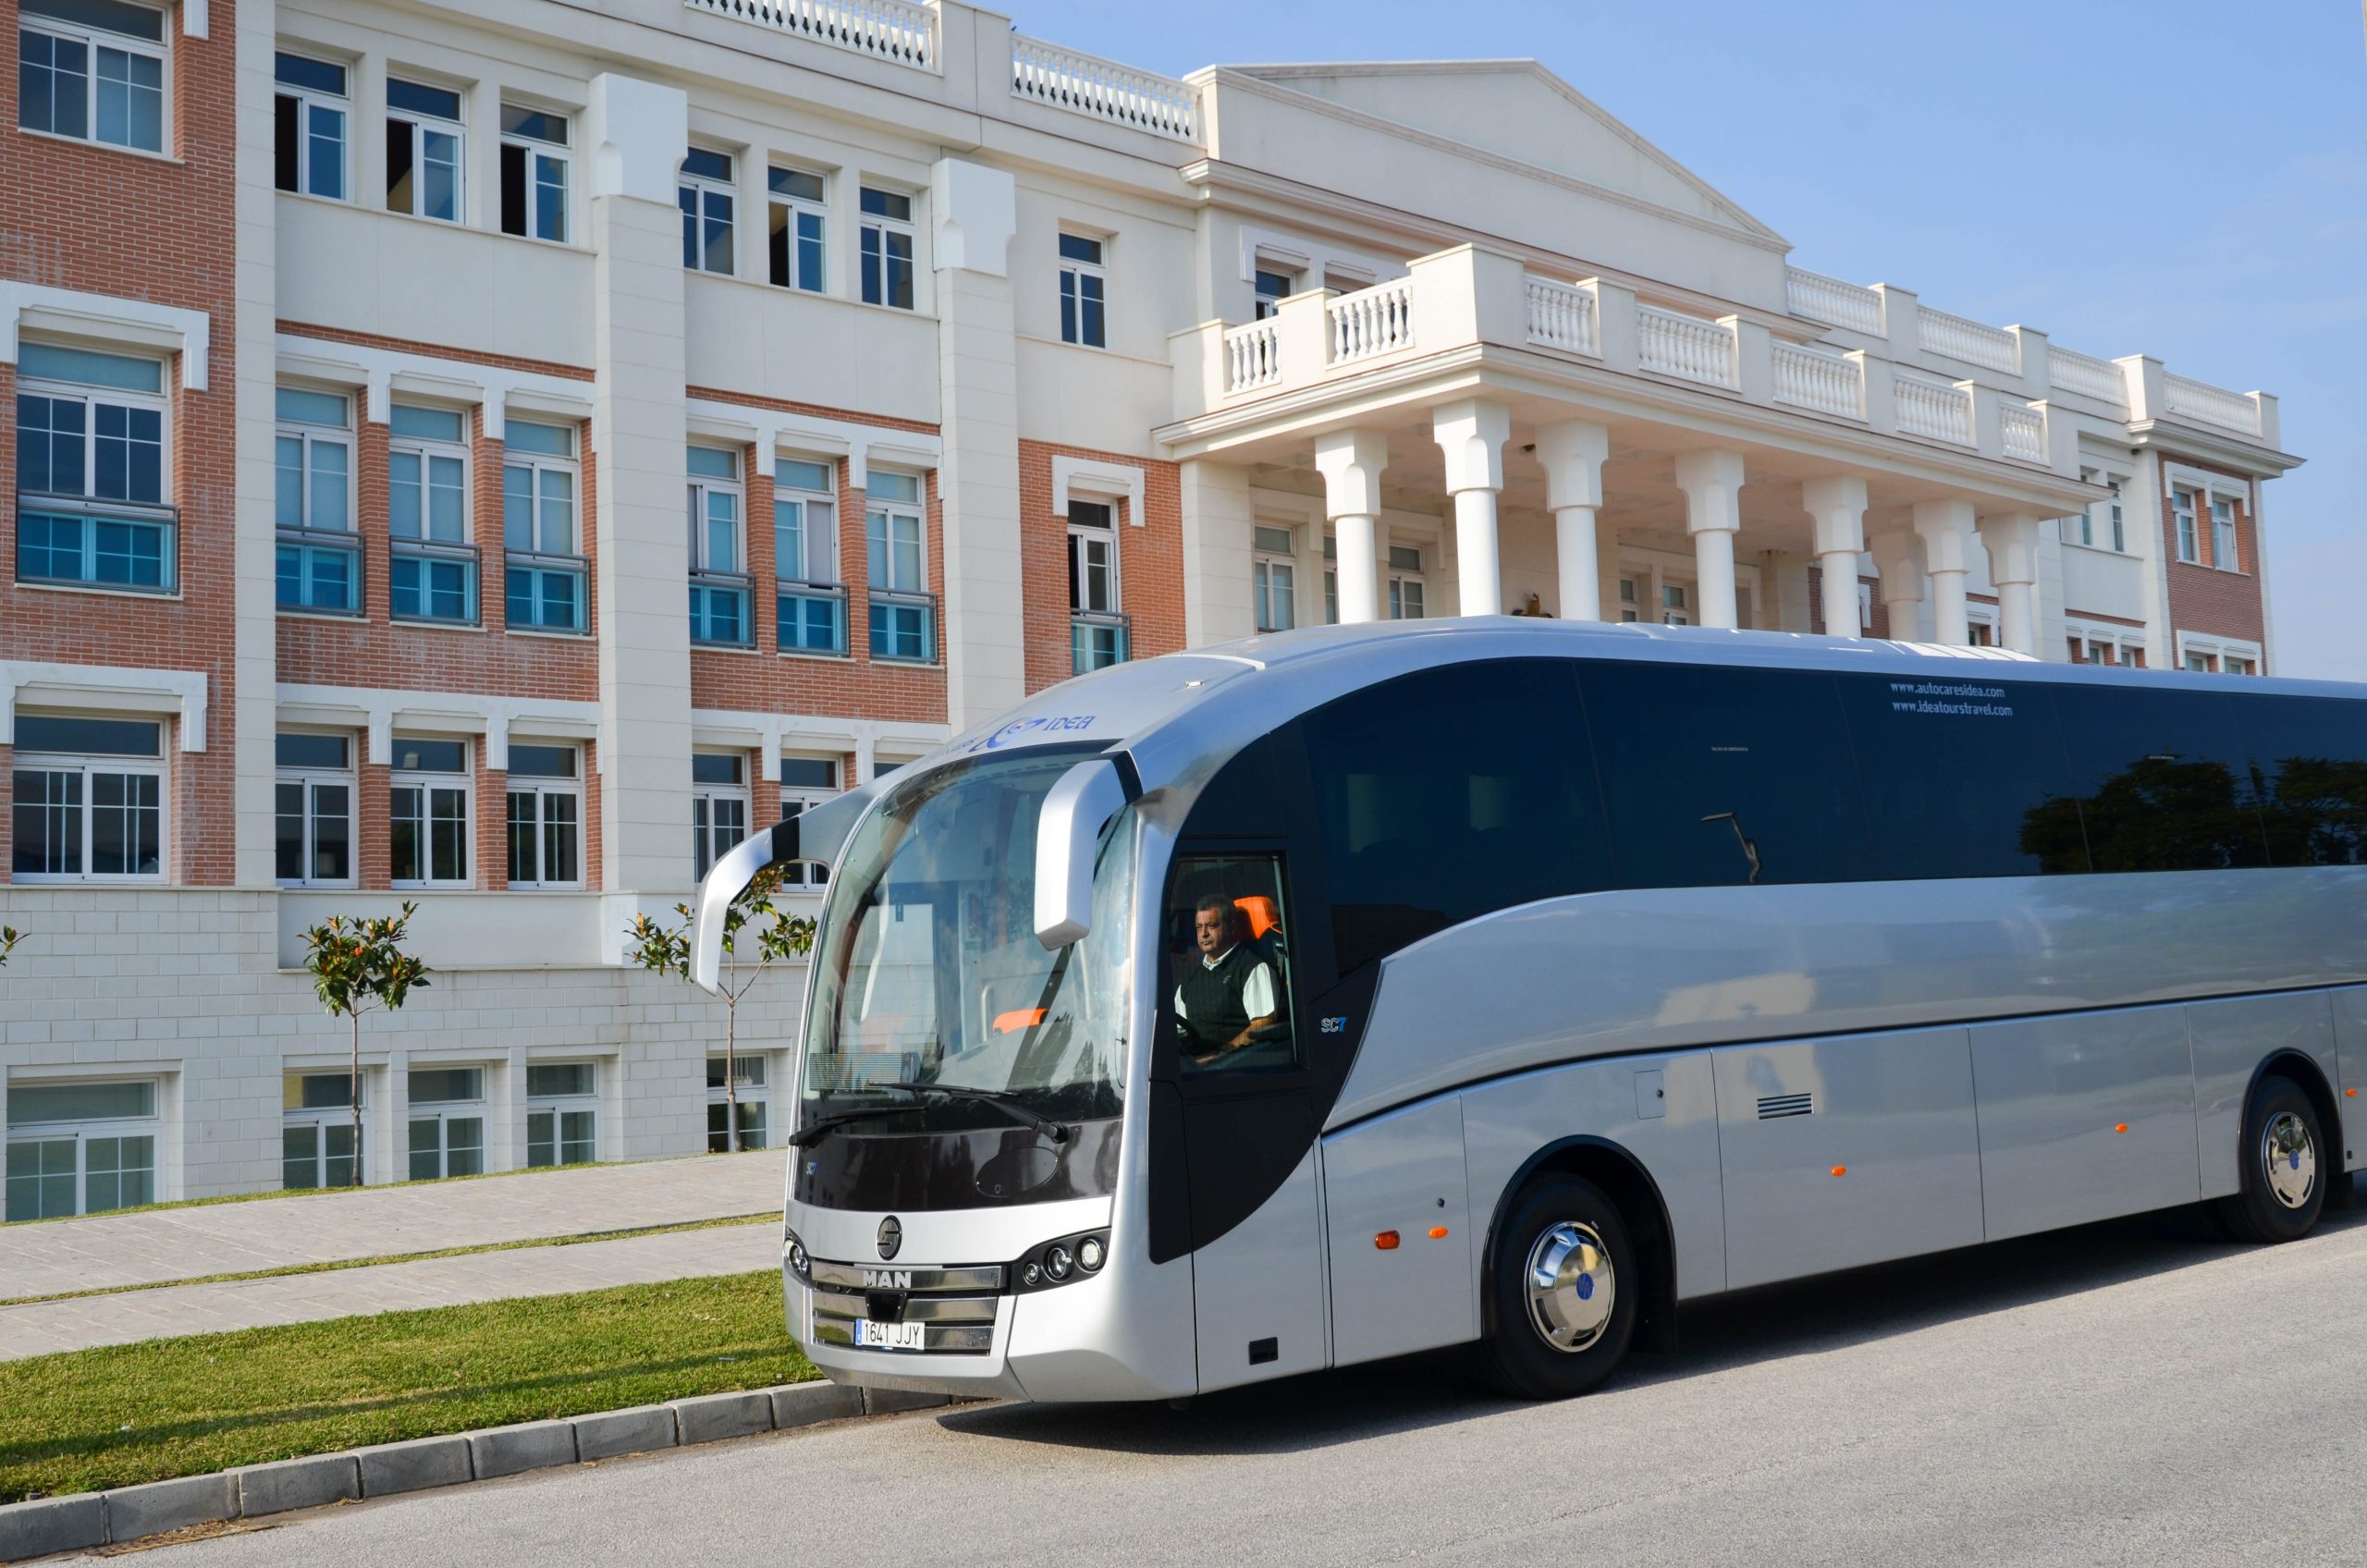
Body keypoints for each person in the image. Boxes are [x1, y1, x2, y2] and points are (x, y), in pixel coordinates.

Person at [1174, 893, 1281, 1065]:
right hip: (1193, 1068)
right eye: (1198, 927)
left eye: (1212, 926)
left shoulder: (1252, 968)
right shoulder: (1189, 983)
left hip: (1236, 1068)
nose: (1204, 934)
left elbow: (1263, 1024)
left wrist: (1222, 1054)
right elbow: (1177, 1031)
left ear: (1231, 927)